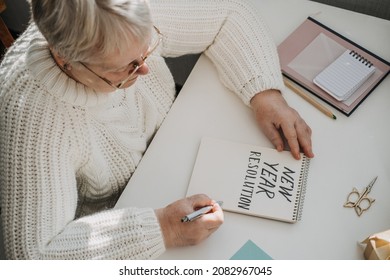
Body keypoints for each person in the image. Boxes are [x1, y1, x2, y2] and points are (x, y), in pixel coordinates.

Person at [0, 0, 313, 259]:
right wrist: (164, 228)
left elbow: (228, 13)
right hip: (121, 221)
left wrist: (265, 94)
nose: (145, 68)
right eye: (127, 67)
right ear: (67, 61)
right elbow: (33, 258)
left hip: (178, 152)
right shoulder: (32, 119)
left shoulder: (118, 11)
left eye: (146, 47)